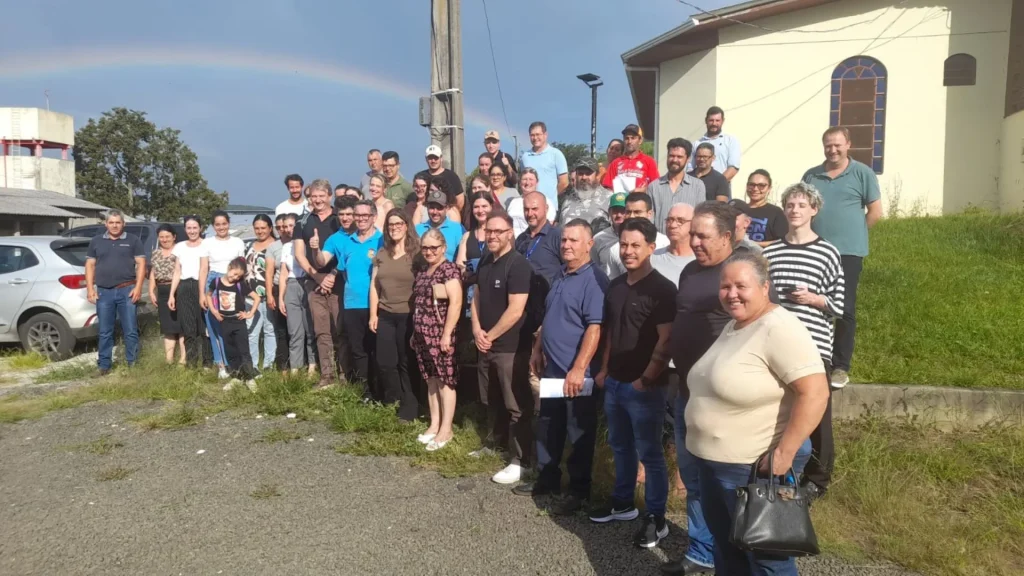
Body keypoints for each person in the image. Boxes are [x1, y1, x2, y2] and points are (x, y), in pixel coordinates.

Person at [685, 251, 828, 576]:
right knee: (727, 549)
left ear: (765, 287)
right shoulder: (736, 325)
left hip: (749, 469)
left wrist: (784, 453)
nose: (731, 294)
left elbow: (816, 392)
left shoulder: (779, 327)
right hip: (713, 464)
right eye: (725, 286)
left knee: (766, 560)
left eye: (741, 286)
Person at [662, 201, 779, 576]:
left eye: (702, 235)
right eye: (692, 234)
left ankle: (744, 553)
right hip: (687, 396)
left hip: (725, 404)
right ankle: (703, 552)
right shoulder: (690, 271)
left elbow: (765, 327)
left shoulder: (741, 272)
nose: (693, 241)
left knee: (727, 487)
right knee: (695, 481)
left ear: (727, 237)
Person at [590, 218, 676, 550]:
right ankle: (623, 503)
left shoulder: (663, 290)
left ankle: (656, 517)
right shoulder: (615, 286)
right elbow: (611, 332)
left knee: (650, 454)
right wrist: (604, 371)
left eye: (636, 245)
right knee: (620, 446)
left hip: (645, 389)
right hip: (615, 383)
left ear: (651, 248)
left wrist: (646, 379)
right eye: (624, 245)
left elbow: (666, 340)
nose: (628, 251)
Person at [515, 219, 607, 516]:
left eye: (574, 241)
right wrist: (537, 350)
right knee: (548, 424)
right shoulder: (560, 274)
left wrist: (579, 368)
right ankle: (547, 479)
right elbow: (549, 317)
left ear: (589, 244)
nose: (566, 245)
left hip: (577, 373)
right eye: (564, 240)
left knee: (578, 432)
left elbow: (595, 327)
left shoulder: (594, 280)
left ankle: (578, 491)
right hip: (552, 368)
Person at [763, 182, 845, 502]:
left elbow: (840, 305)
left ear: (814, 210)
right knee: (776, 410)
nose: (794, 210)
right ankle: (775, 470)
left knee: (816, 413)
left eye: (801, 205)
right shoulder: (770, 252)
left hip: (813, 344)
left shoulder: (828, 252)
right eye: (790, 205)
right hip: (776, 343)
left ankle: (817, 480)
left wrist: (813, 298)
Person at [802, 126, 882, 388]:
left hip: (848, 253)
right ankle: (812, 359)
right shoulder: (811, 175)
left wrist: (854, 235)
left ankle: (840, 366)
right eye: (828, 145)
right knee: (811, 304)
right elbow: (803, 208)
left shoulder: (862, 173)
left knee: (844, 309)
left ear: (848, 144)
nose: (833, 150)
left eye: (837, 144)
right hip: (815, 251)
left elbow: (875, 212)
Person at [472, 213, 534, 485]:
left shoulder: (518, 265)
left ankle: (521, 460)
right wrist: (477, 329)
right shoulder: (486, 260)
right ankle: (494, 443)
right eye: (489, 231)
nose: (493, 235)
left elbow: (516, 309)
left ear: (510, 233)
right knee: (490, 398)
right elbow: (476, 296)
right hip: (484, 342)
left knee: (515, 404)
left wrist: (491, 335)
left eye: (499, 231)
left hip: (509, 347)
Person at [316, 199, 382, 397]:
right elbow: (340, 269)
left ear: (374, 217)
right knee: (358, 350)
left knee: (376, 349)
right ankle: (365, 392)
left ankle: (380, 391)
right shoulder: (348, 242)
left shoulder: (382, 240)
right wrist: (316, 250)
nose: (360, 219)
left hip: (376, 304)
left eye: (365, 215)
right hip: (352, 304)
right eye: (357, 215)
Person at [411, 228, 463, 451]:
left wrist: (447, 334)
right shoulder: (424, 270)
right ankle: (434, 424)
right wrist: (414, 333)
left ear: (443, 248)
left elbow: (456, 303)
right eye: (425, 248)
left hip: (440, 334)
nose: (429, 251)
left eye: (434, 247)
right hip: (422, 333)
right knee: (431, 379)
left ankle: (446, 429)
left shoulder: (448, 270)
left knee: (445, 380)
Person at [293, 179, 346, 388]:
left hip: (339, 281)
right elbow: (299, 254)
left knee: (340, 328)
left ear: (329, 196)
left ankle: (344, 373)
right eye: (314, 196)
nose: (317, 200)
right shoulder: (302, 221)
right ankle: (327, 375)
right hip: (313, 282)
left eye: (321, 196)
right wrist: (317, 277)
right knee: (321, 330)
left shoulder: (339, 219)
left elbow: (347, 249)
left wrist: (331, 276)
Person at [369, 209, 418, 420]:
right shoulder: (382, 253)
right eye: (391, 224)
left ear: (406, 226)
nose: (395, 228)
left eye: (399, 223)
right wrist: (373, 314)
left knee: (406, 361)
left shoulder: (417, 254)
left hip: (408, 315)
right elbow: (374, 286)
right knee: (385, 361)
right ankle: (394, 399)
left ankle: (410, 404)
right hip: (386, 314)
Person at [85, 210, 146, 375]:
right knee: (105, 331)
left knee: (130, 330)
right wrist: (90, 289)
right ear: (106, 224)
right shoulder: (96, 241)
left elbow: (141, 264)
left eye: (118, 222)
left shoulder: (133, 240)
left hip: (127, 291)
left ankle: (133, 364)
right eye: (111, 222)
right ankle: (104, 365)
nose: (114, 226)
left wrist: (138, 287)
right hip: (104, 292)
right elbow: (90, 265)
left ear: (123, 224)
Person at [199, 211, 246, 379]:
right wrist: (202, 294)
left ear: (228, 223)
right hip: (214, 281)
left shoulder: (238, 242)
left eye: (224, 223)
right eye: (217, 224)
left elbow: (242, 268)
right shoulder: (207, 243)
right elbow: (203, 269)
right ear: (213, 226)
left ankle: (235, 363)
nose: (221, 227)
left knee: (231, 325)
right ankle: (221, 365)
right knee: (214, 326)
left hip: (233, 282)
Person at [207, 257, 261, 391]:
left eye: (239, 276)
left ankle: (249, 378)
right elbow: (208, 295)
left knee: (243, 351)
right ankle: (237, 377)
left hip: (238, 322)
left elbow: (256, 298)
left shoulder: (240, 285)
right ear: (229, 268)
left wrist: (249, 313)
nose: (235, 277)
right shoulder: (216, 282)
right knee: (230, 351)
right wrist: (214, 311)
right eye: (235, 273)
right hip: (224, 321)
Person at [277, 214, 318, 378]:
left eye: (291, 225)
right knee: (294, 330)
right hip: (292, 284)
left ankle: (312, 365)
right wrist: (281, 297)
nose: (288, 229)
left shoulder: (308, 243)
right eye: (285, 226)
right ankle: (296, 366)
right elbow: (283, 273)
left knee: (310, 329)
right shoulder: (286, 247)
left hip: (307, 282)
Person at [169, 216, 209, 367]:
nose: (192, 231)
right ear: (185, 229)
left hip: (201, 285)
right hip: (184, 286)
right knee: (188, 326)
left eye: (195, 228)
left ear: (200, 228)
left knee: (203, 325)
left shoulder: (206, 245)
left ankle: (207, 362)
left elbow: (205, 269)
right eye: (189, 228)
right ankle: (191, 362)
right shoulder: (180, 246)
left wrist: (204, 292)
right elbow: (177, 271)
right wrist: (172, 294)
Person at [649, 138, 707, 234]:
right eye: (671, 156)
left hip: (688, 241)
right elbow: (650, 219)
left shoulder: (697, 186)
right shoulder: (654, 187)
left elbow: (700, 217)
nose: (674, 160)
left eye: (679, 157)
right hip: (660, 240)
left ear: (688, 159)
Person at [605, 193, 669, 279]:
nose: (632, 216)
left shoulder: (665, 243)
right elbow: (613, 281)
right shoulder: (615, 250)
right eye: (628, 212)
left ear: (649, 214)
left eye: (637, 212)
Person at [245, 214, 278, 373]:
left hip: (269, 295)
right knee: (252, 331)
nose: (260, 231)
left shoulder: (276, 245)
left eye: (263, 228)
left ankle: (269, 364)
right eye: (257, 228)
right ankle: (252, 364)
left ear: (270, 228)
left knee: (269, 329)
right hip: (251, 296)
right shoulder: (249, 245)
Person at [148, 224, 185, 364]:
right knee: (168, 326)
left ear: (174, 236)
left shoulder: (180, 250)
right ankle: (168, 360)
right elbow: (153, 272)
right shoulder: (155, 253)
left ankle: (183, 359)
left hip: (179, 289)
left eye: (167, 236)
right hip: (162, 290)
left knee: (181, 325)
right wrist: (151, 290)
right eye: (161, 237)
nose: (164, 239)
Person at [518, 121, 567, 221]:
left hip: (549, 209)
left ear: (545, 135)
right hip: (530, 209)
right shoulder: (525, 157)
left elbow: (564, 182)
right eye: (532, 135)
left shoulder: (556, 154)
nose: (535, 138)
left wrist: (550, 196)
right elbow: (524, 181)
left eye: (538, 134)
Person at [263, 214, 293, 375]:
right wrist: (269, 294)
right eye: (279, 227)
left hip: (295, 287)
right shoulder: (273, 247)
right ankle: (283, 366)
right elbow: (269, 272)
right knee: (281, 329)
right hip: (277, 288)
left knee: (297, 329)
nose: (283, 230)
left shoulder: (298, 243)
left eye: (285, 226)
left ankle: (299, 364)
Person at [558, 157, 613, 233]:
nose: (584, 177)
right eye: (580, 173)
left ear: (597, 175)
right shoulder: (567, 199)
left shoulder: (609, 198)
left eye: (588, 173)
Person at [687, 106, 741, 181]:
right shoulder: (696, 144)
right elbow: (690, 168)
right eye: (711, 120)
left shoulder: (730, 141)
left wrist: (717, 184)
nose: (714, 123)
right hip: (699, 185)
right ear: (706, 121)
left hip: (722, 186)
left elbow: (733, 168)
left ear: (723, 121)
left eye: (717, 120)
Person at [602, 124, 659, 194]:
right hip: (620, 200)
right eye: (627, 138)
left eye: (633, 138)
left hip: (640, 199)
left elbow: (656, 186)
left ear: (640, 140)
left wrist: (644, 190)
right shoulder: (615, 163)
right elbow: (607, 187)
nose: (629, 141)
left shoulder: (649, 161)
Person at [414, 185, 465, 262]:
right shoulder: (418, 229)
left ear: (446, 208)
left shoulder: (458, 229)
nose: (435, 212)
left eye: (439, 208)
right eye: (432, 208)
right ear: (427, 208)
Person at [651, 204, 696, 287]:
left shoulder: (701, 261)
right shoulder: (651, 259)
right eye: (670, 220)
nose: (672, 225)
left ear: (694, 224)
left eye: (680, 221)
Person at [742, 169, 788, 246]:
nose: (755, 189)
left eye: (761, 186)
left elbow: (783, 241)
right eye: (752, 184)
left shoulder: (776, 212)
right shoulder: (738, 209)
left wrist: (753, 244)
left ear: (769, 188)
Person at [455, 192, 494, 275]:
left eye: (484, 206)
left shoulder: (500, 233)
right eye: (476, 207)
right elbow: (460, 264)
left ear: (491, 207)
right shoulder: (466, 236)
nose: (480, 210)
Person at [591, 193, 627, 275]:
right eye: (615, 211)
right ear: (609, 212)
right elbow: (595, 267)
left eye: (623, 211)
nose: (619, 215)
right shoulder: (598, 238)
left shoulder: (638, 237)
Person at [424, 144, 466, 212]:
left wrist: (452, 214)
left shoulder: (452, 176)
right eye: (430, 158)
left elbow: (460, 200)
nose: (433, 161)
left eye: (436, 158)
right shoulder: (422, 176)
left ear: (441, 158)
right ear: (426, 159)